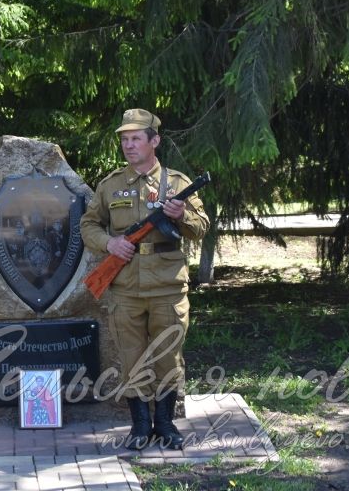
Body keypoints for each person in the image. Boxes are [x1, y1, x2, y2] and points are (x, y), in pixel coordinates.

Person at [80, 109, 209, 450]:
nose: (129, 145)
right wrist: (110, 243)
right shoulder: (111, 186)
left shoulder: (178, 184)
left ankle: (165, 423)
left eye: (136, 138)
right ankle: (139, 424)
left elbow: (201, 227)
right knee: (132, 356)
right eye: (124, 139)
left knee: (168, 355)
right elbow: (88, 225)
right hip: (125, 287)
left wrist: (182, 216)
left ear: (155, 141)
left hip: (168, 286)